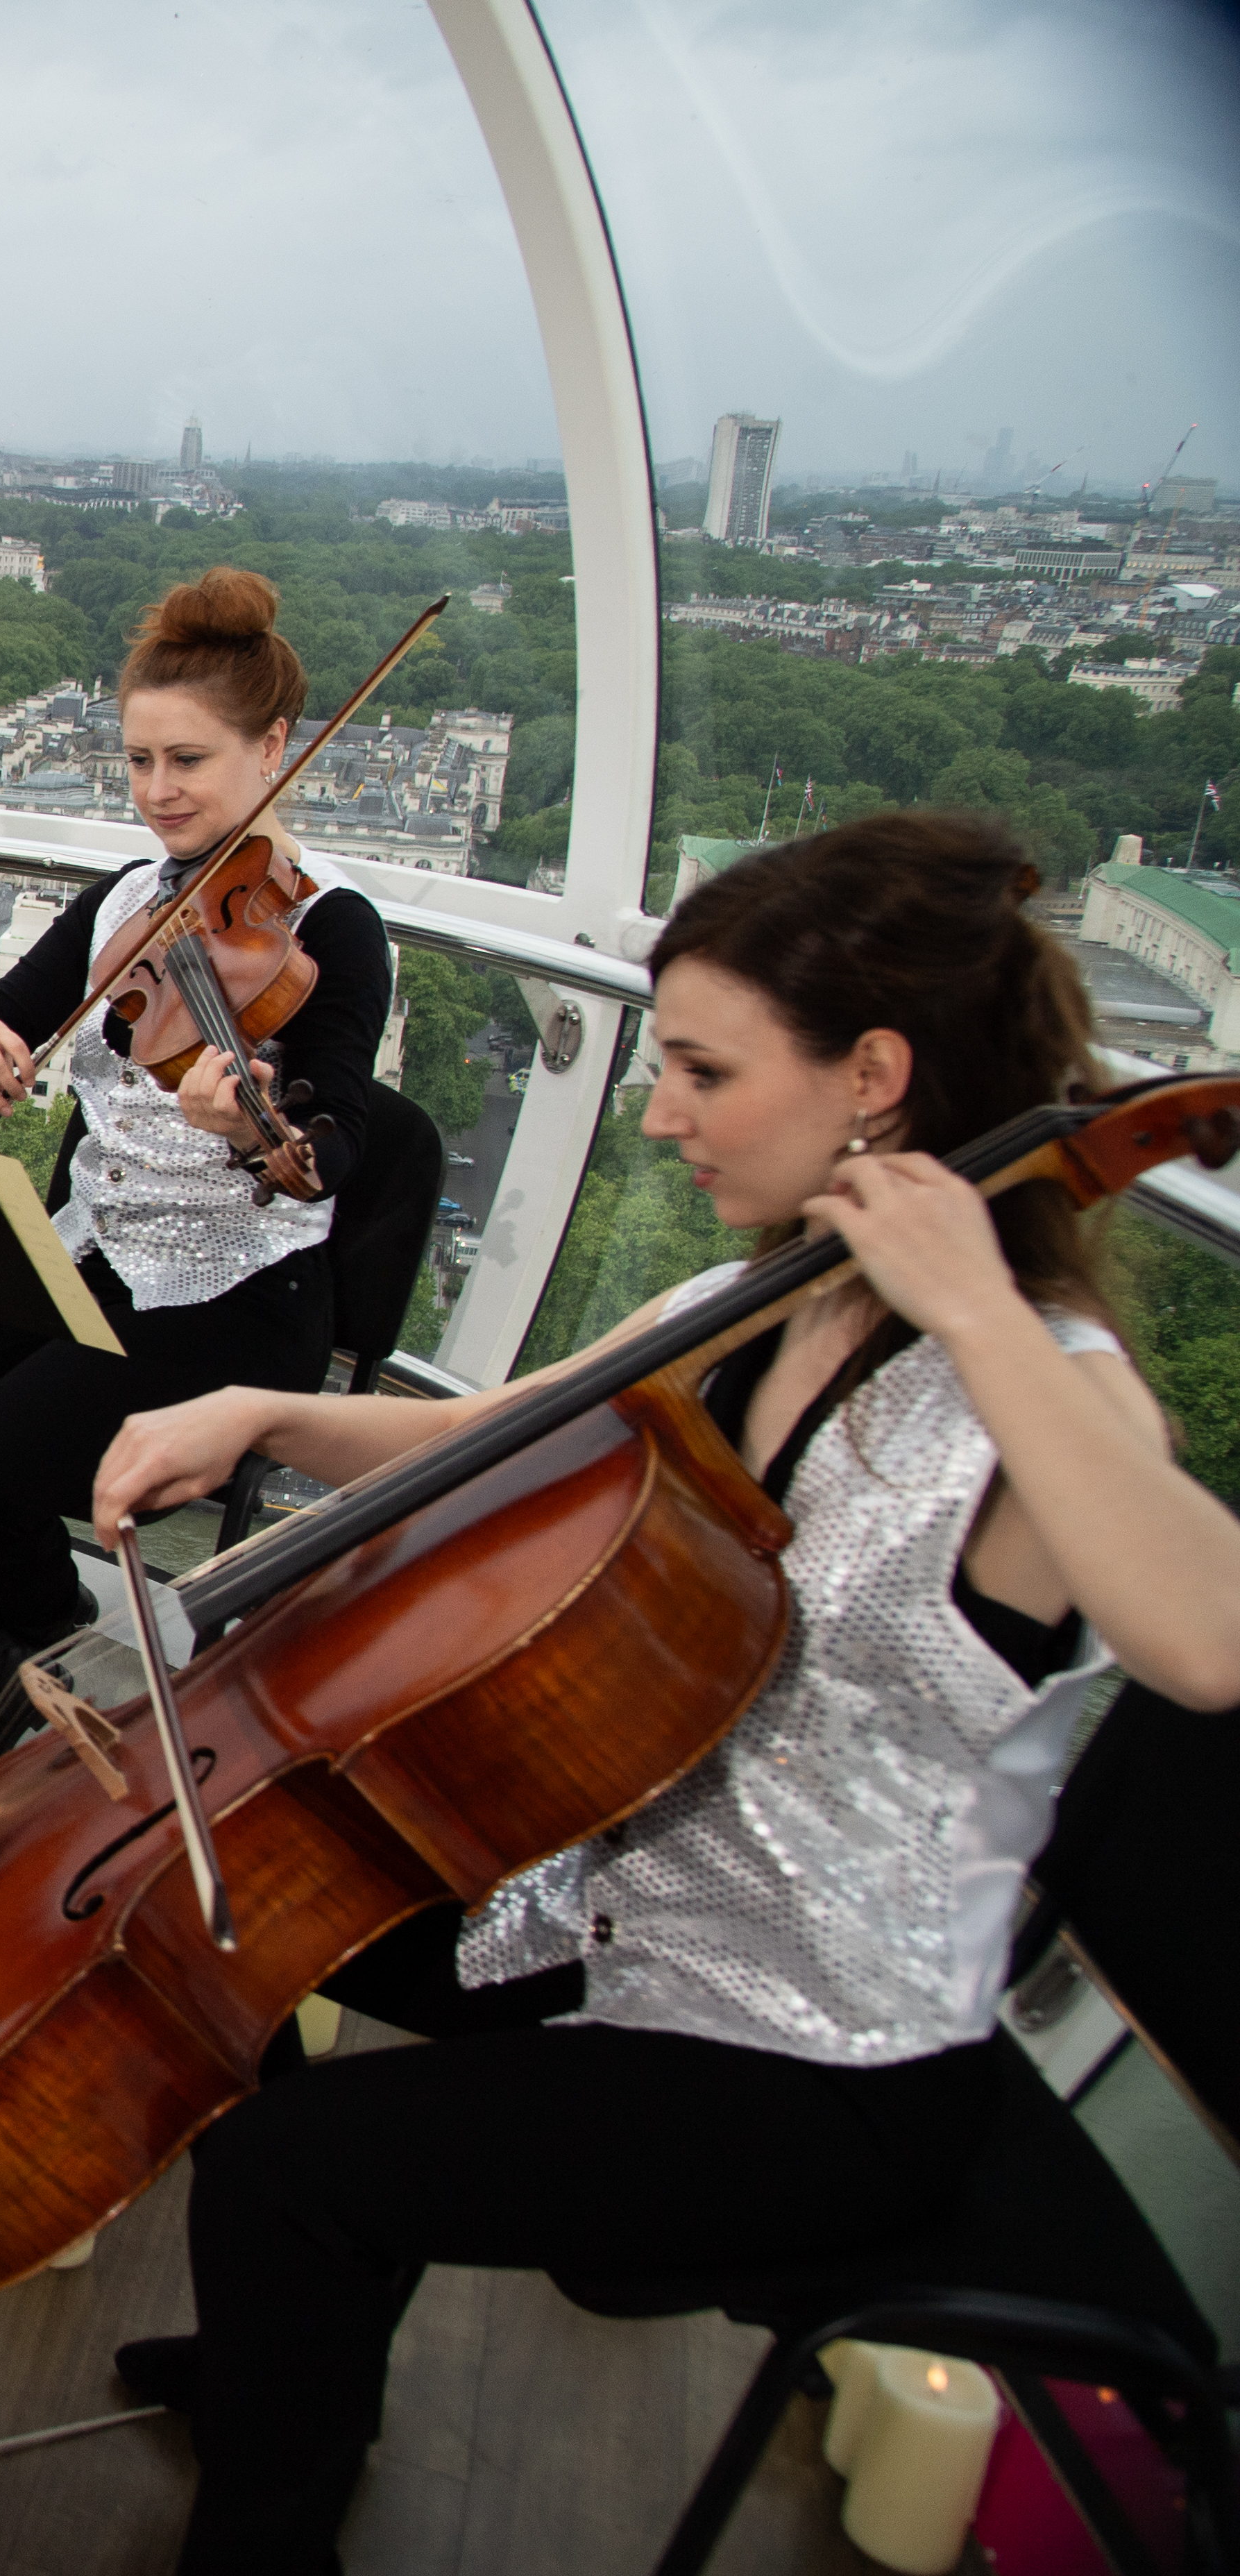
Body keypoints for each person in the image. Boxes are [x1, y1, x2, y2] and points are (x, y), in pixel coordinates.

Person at [81, 813, 1240, 2573]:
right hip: (627, 1907)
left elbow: (1208, 1637)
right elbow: (513, 1428)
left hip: (812, 2051)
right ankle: (289, 2354)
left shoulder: (1046, 1399)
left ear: (875, 1076)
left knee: (290, 2166)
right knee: (246, 1936)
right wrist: (267, 1418)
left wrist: (977, 1308)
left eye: (702, 1068)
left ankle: (268, 2523)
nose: (660, 1109)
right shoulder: (763, 1293)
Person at [0, 568, 394, 1809]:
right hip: (95, 1255)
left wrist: (254, 1132)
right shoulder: (130, 900)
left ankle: (21, 1643)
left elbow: (333, 1136)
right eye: (138, 762)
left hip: (240, 1301)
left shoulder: (334, 932)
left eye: (190, 760)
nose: (160, 793)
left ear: (276, 749)